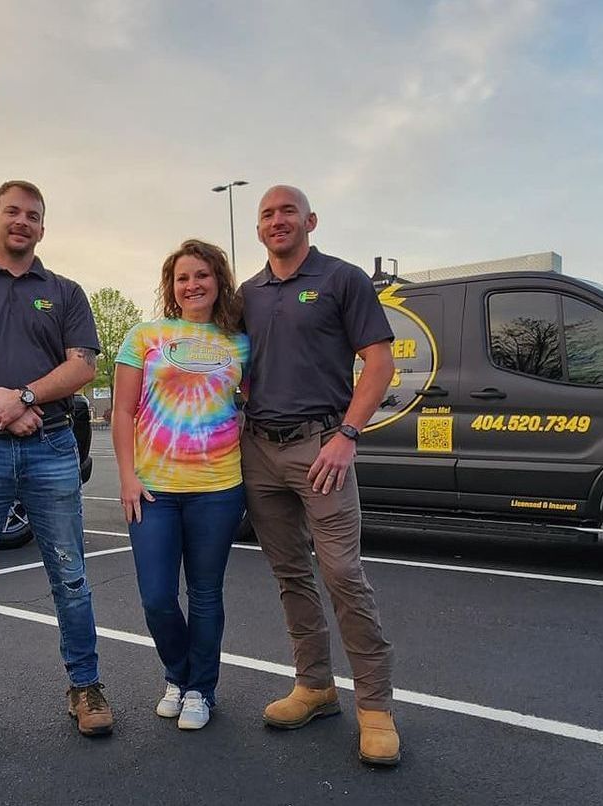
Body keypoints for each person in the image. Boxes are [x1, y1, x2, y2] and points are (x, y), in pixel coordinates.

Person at [0, 179, 113, 747]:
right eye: (13, 211)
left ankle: (85, 687)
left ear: (42, 227)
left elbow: (82, 366)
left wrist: (24, 397)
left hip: (52, 447)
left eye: (33, 215)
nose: (22, 222)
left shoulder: (64, 292)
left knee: (72, 577)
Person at [238, 185, 401, 766]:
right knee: (289, 575)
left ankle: (376, 709)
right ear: (258, 229)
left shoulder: (342, 278)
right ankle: (314, 686)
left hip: (321, 446)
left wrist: (346, 436)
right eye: (267, 214)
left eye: (287, 211)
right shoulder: (247, 294)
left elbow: (379, 363)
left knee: (342, 574)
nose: (277, 221)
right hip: (258, 449)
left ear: (310, 219)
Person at [111, 239, 249, 730]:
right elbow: (123, 411)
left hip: (218, 487)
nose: (192, 285)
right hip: (153, 490)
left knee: (206, 594)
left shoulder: (240, 342)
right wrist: (127, 477)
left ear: (218, 282)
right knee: (156, 597)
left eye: (202, 276)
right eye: (183, 277)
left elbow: (248, 403)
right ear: (172, 286)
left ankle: (200, 691)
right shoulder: (145, 335)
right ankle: (179, 673)